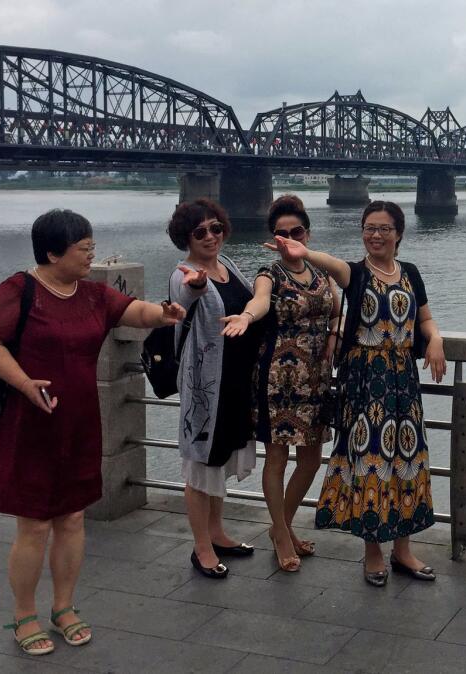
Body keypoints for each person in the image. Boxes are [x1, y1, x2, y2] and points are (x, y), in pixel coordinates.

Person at [0, 209, 186, 655]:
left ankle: (64, 607)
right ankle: (24, 614)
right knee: (33, 525)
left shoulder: (92, 294)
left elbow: (135, 312)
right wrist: (24, 383)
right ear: (52, 252)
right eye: (83, 249)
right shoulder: (19, 291)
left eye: (92, 247)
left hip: (80, 423)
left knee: (72, 518)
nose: (91, 255)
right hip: (28, 425)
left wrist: (164, 314)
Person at [266, 200, 446, 587]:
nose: (375, 235)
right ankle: (373, 553)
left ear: (399, 234)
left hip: (403, 382)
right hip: (366, 382)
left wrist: (435, 341)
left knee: (408, 462)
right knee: (369, 464)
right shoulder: (357, 273)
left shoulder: (411, 273)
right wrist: (303, 251)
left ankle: (403, 549)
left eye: (383, 228)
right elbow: (332, 265)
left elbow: (426, 318)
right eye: (369, 227)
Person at [223, 194, 338, 572]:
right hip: (278, 377)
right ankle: (283, 535)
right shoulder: (268, 272)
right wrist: (245, 316)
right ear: (272, 238)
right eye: (281, 233)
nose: (289, 238)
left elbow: (337, 311)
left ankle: (281, 527)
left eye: (297, 231)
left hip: (316, 379)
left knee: (311, 459)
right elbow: (260, 300)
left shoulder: (321, 273)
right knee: (277, 457)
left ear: (308, 232)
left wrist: (335, 336)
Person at [167, 198, 261, 580]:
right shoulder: (183, 273)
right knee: (200, 465)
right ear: (186, 238)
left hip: (236, 381)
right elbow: (183, 299)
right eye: (200, 232)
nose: (210, 237)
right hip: (206, 386)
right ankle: (201, 547)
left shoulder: (230, 266)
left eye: (216, 228)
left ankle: (218, 533)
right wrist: (196, 287)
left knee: (219, 459)